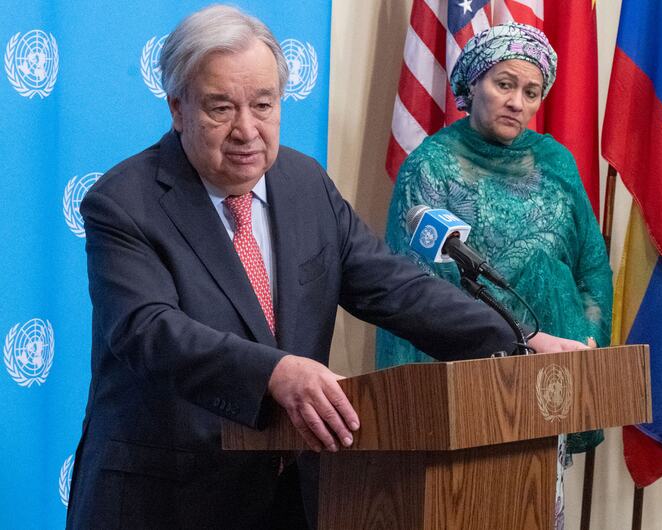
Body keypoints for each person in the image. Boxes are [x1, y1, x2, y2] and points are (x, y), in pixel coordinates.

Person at [65, 6, 586, 529]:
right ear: (178, 108)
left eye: (264, 105)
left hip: (290, 498)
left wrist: (518, 340)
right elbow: (148, 330)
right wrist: (274, 372)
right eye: (221, 108)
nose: (247, 130)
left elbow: (395, 287)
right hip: (166, 500)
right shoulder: (124, 202)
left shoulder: (304, 183)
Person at [375, 23, 612, 530]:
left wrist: (589, 338)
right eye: (504, 84)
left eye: (531, 92)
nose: (517, 102)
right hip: (471, 396)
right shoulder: (431, 167)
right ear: (471, 85)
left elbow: (591, 264)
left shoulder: (556, 162)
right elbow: (417, 295)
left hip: (549, 390)